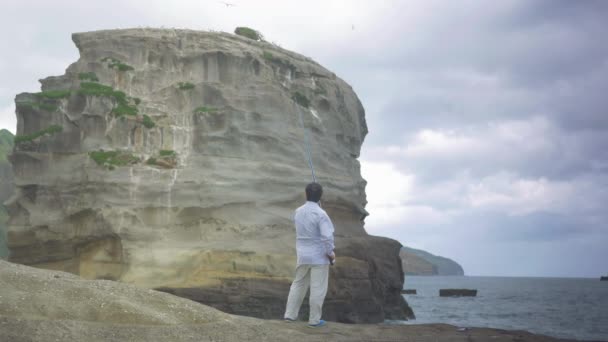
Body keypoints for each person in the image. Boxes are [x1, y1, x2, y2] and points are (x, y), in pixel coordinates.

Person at [283, 182, 335, 328]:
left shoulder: (298, 211)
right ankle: (314, 320)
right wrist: (330, 254)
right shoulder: (321, 214)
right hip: (319, 257)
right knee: (317, 288)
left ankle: (289, 315)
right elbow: (327, 238)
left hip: (302, 255)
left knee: (298, 284)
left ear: (306, 194)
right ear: (320, 196)